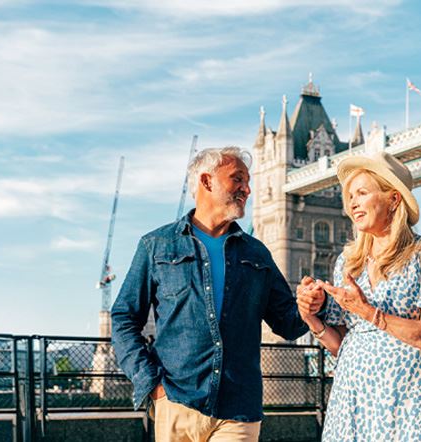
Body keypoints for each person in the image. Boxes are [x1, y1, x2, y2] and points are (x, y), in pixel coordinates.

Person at [112, 147, 319, 442]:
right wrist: (151, 383)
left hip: (238, 407)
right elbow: (123, 317)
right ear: (207, 181)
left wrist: (310, 306)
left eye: (248, 182)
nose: (247, 189)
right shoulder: (156, 245)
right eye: (238, 179)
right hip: (176, 401)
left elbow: (288, 323)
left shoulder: (256, 253)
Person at [296, 151, 421, 441]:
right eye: (350, 196)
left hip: (411, 397)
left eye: (362, 193)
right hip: (353, 397)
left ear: (393, 199)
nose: (352, 203)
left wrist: (368, 312)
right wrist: (311, 317)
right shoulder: (348, 263)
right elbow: (343, 344)